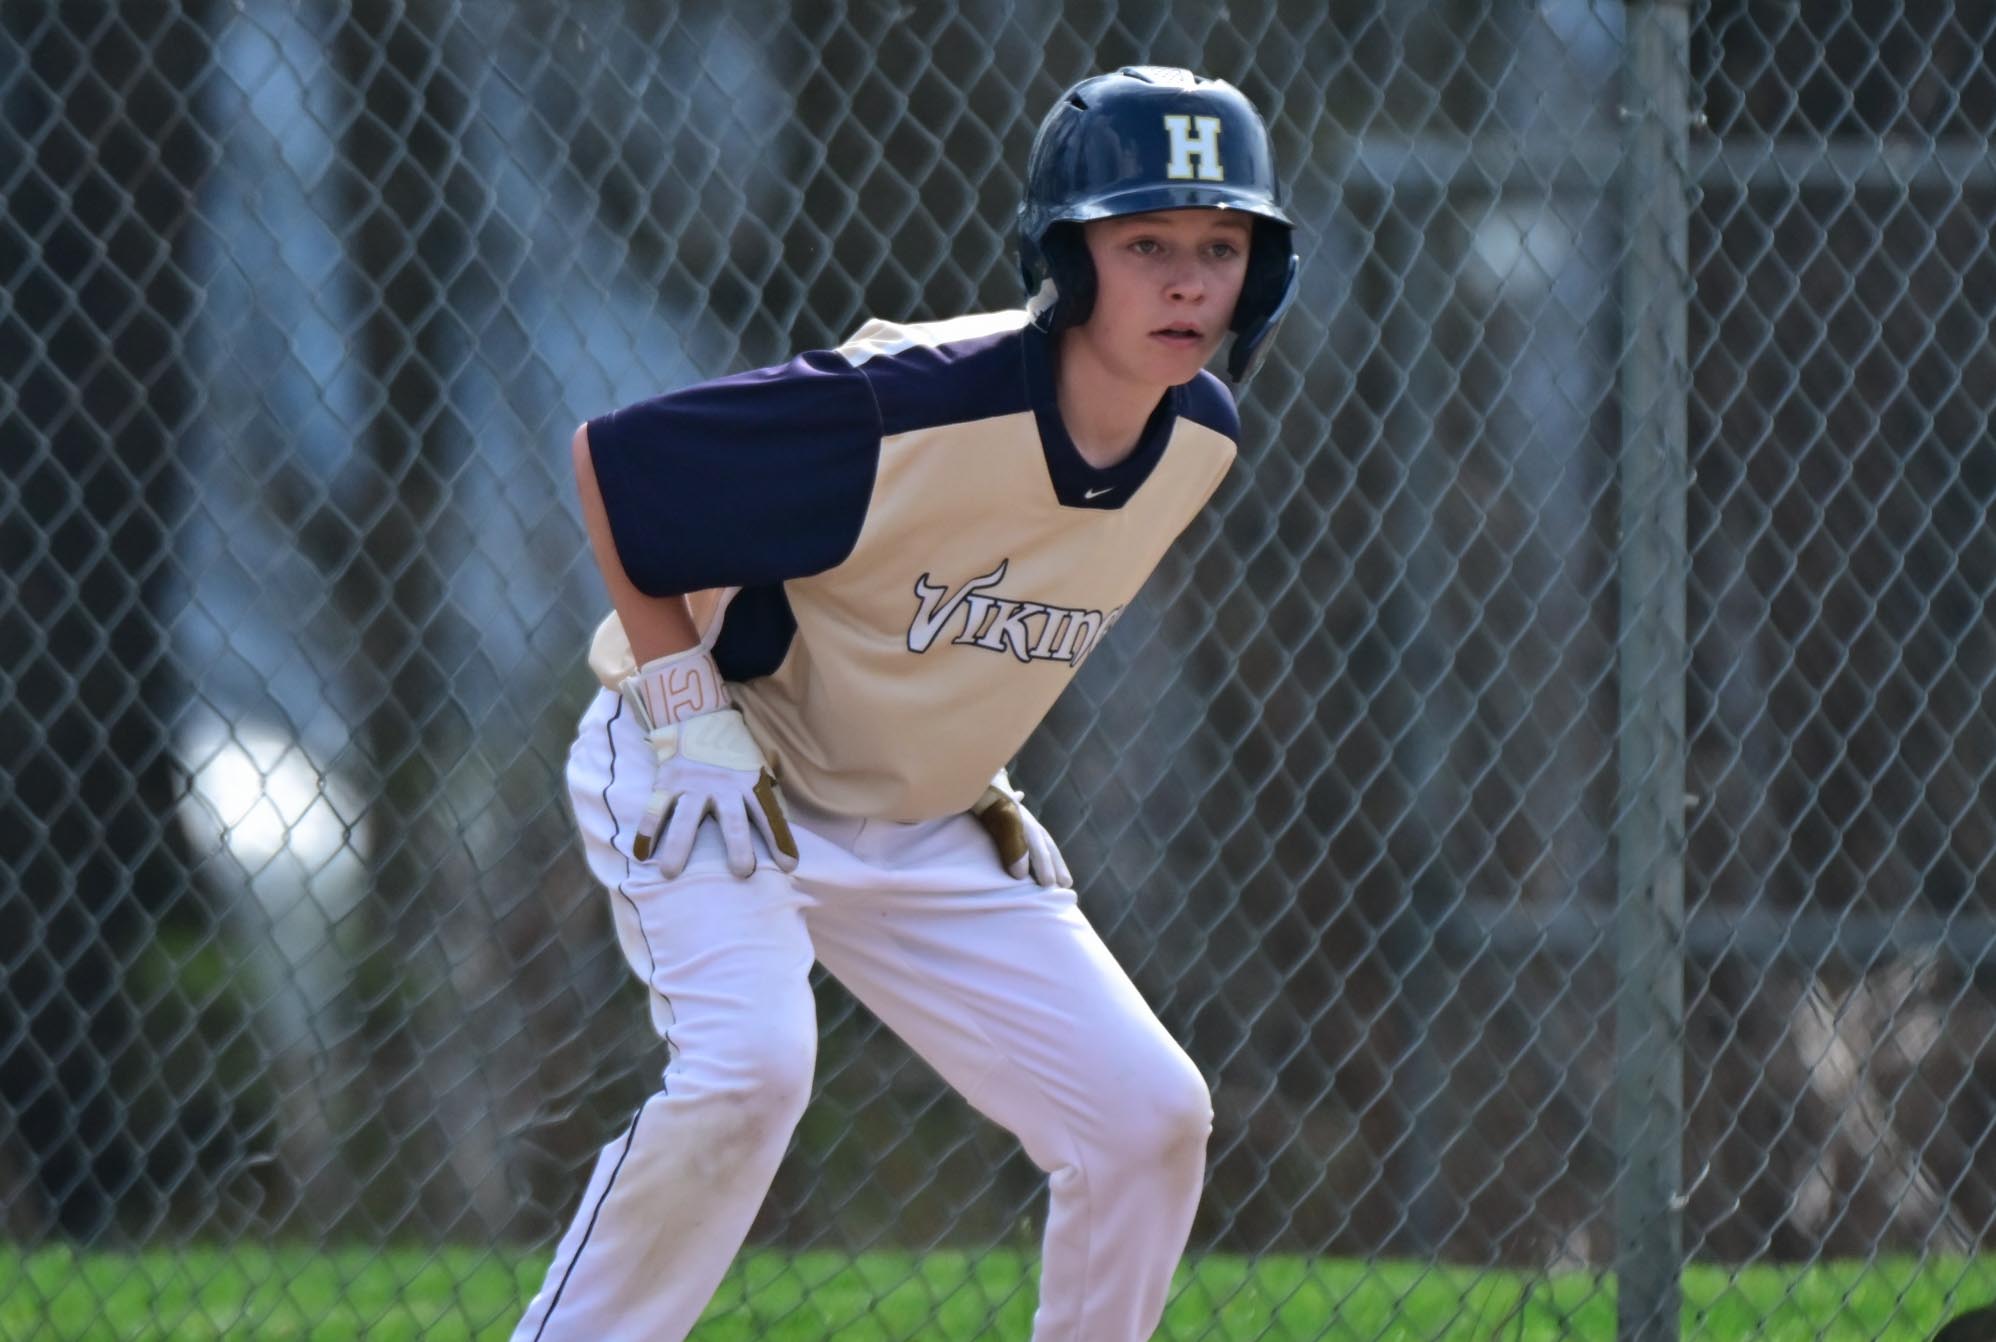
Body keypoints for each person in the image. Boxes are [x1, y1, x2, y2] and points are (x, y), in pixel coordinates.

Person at [511, 65, 1299, 1342]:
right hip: (720, 769)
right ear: (1067, 258)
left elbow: (969, 596)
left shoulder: (1198, 436)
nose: (1185, 282)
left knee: (1145, 1115)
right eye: (1144, 241)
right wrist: (687, 708)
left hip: (922, 816)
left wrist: (960, 759)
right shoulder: (912, 401)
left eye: (1220, 246)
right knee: (750, 1074)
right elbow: (619, 461)